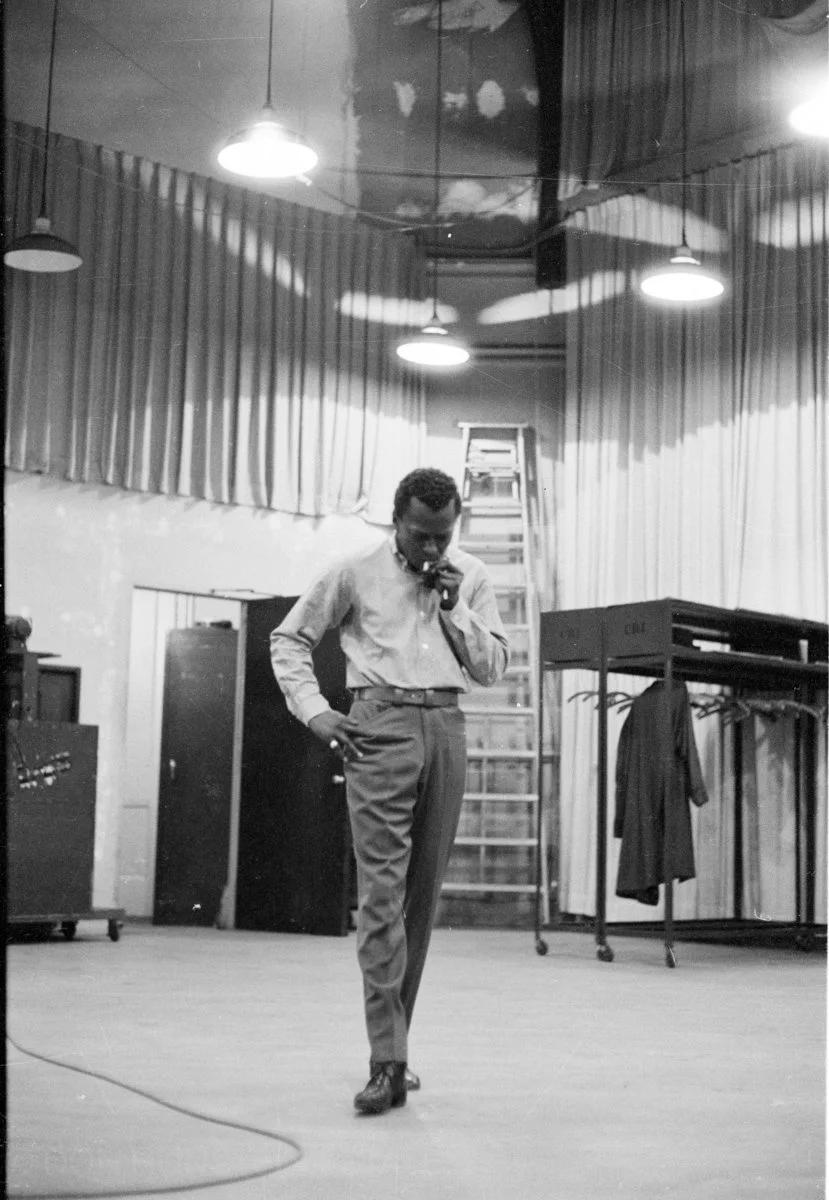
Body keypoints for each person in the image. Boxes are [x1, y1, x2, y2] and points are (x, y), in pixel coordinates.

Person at [270, 467, 509, 1115]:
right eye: (420, 535)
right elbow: (288, 637)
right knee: (380, 897)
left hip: (447, 726)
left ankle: (397, 1047)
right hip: (377, 724)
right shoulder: (354, 571)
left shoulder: (471, 574)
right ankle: (386, 1059)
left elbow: (491, 669)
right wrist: (314, 709)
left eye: (443, 535)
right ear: (394, 522)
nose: (432, 549)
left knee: (420, 898)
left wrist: (455, 604)